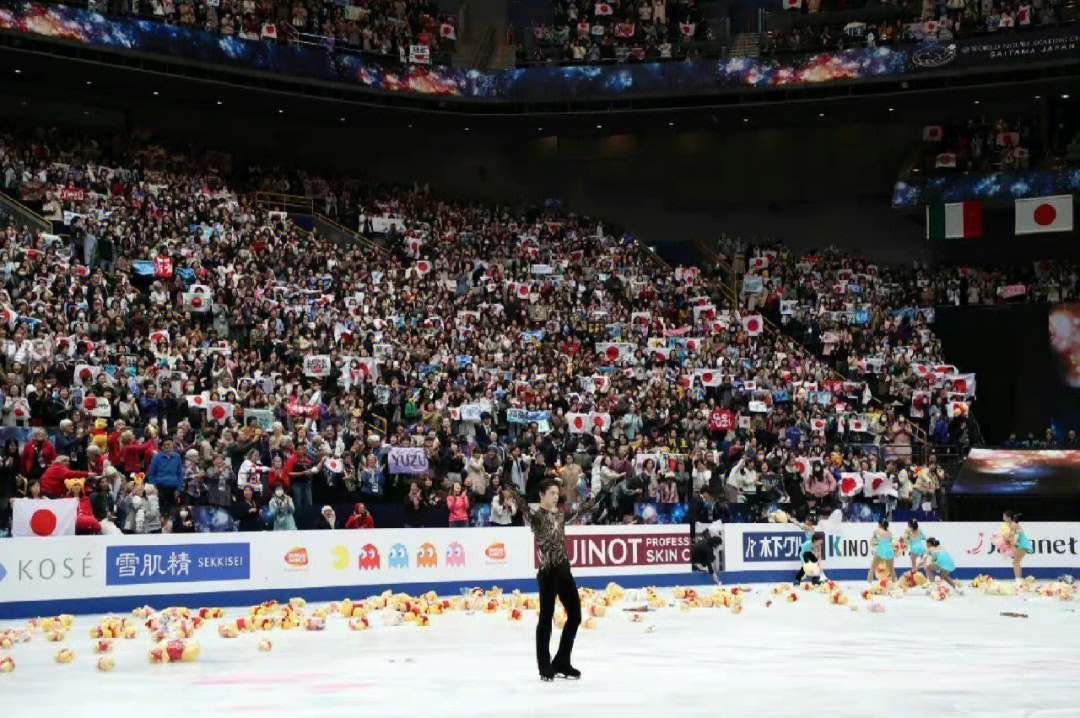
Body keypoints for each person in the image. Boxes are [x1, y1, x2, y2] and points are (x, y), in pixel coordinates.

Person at [508, 477, 611, 681]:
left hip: (564, 570)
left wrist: (604, 490)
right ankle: (544, 665)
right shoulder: (537, 517)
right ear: (541, 495)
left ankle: (562, 661)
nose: (555, 497)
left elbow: (585, 509)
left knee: (575, 615)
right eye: (551, 493)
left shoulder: (561, 517)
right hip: (548, 573)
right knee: (545, 619)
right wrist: (507, 483)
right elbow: (521, 503)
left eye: (557, 493)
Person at [1003, 511, 1033, 582]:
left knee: (1015, 562)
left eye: (1004, 516)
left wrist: (1006, 539)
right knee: (1016, 562)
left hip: (1022, 544)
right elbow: (1013, 538)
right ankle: (1019, 579)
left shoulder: (1013, 525)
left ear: (1009, 517)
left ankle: (1018, 580)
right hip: (1022, 544)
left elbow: (1012, 538)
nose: (1003, 518)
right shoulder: (1013, 525)